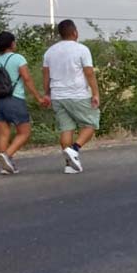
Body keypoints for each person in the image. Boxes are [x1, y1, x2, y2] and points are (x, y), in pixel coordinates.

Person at [0, 31, 49, 174]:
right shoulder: (18, 58)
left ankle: (6, 166)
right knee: (24, 132)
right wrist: (38, 97)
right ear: (11, 43)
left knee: (3, 133)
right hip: (13, 99)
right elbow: (26, 79)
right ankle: (7, 155)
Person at [42, 19, 100, 174]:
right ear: (75, 32)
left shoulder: (50, 52)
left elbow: (46, 76)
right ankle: (74, 149)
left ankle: (69, 165)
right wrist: (95, 93)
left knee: (66, 129)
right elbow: (89, 72)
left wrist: (47, 94)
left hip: (57, 95)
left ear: (60, 34)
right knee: (91, 123)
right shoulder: (82, 49)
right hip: (78, 94)